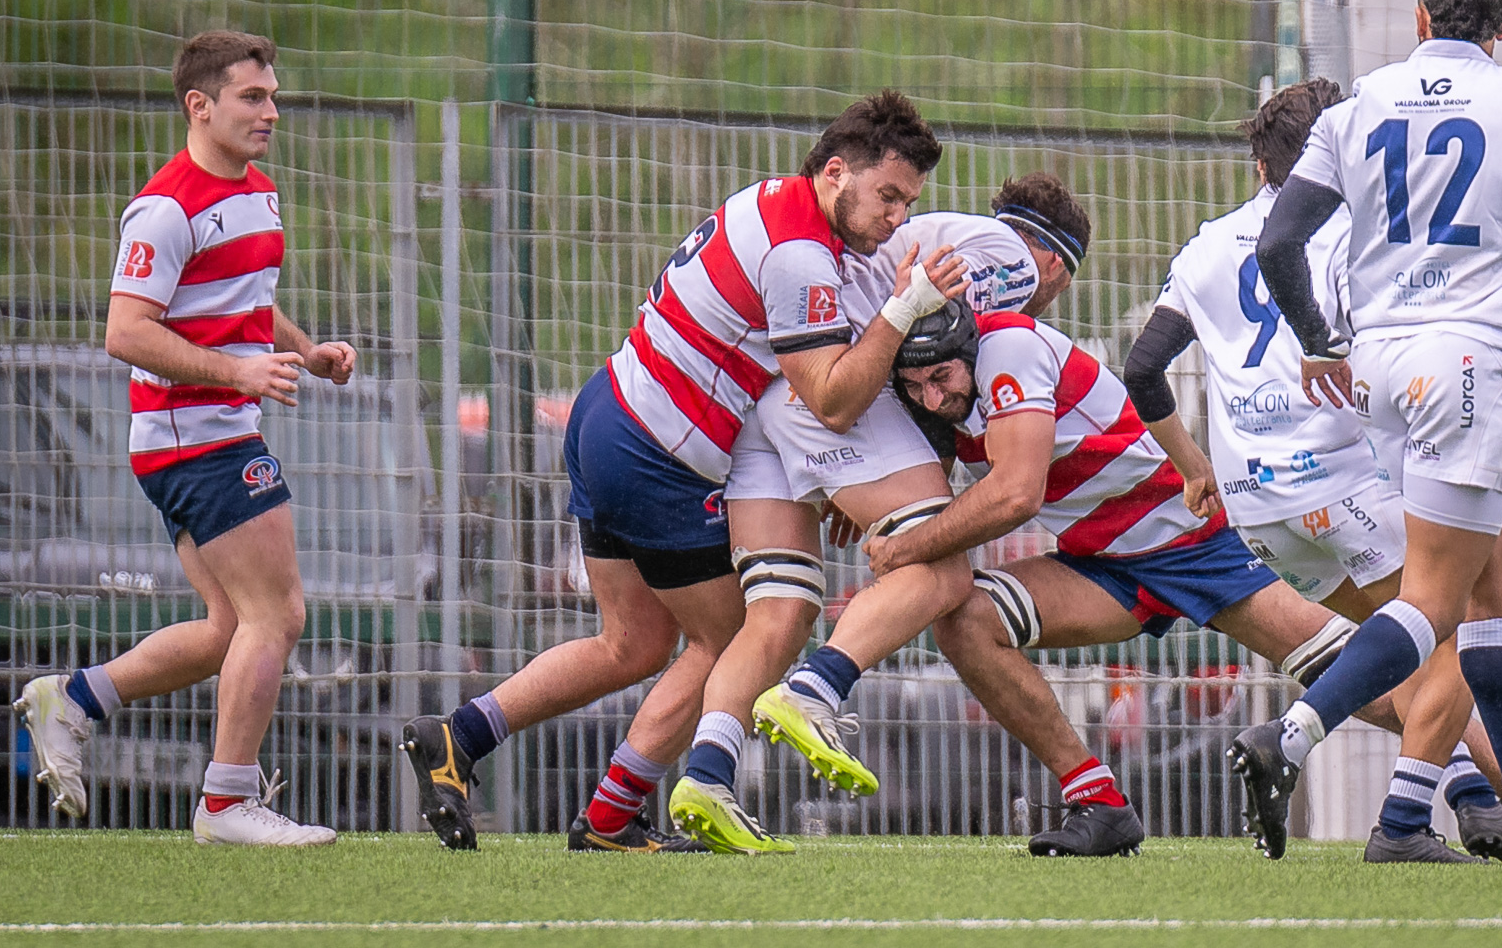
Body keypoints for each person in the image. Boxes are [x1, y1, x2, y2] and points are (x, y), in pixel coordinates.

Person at [399, 89, 965, 851]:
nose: (898, 217)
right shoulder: (800, 254)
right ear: (836, 172)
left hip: (605, 413)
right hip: (655, 457)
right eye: (889, 195)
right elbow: (830, 400)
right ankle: (611, 814)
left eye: (909, 202)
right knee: (740, 637)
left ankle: (459, 734)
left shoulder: (769, 199)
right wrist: (905, 311)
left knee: (629, 644)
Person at [1228, 0, 1502, 864]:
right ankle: (1288, 737)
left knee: (1497, 582)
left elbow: (1281, 244)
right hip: (1467, 369)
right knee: (1436, 601)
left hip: (1379, 369)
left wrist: (1323, 344)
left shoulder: (1359, 103)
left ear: (1418, 17)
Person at [1123, 78, 1502, 863]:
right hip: (1343, 481)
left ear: (1259, 167)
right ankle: (1447, 811)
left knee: (1397, 648)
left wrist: (1193, 465)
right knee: (1469, 612)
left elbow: (1141, 369)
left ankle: (1481, 799)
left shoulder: (1203, 246)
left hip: (1257, 509)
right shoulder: (1351, 237)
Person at [867, 301, 1408, 858]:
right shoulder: (950, 396)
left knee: (1372, 685)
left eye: (940, 377)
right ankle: (1097, 800)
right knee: (968, 619)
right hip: (1104, 564)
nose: (932, 397)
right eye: (914, 385)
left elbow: (1014, 495)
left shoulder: (1010, 348)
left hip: (1193, 542)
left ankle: (1483, 789)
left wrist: (903, 547)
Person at [668, 177, 1091, 853]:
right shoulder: (1009, 264)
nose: (1051, 299)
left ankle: (708, 774)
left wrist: (860, 479)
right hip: (831, 400)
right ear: (1048, 259)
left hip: (770, 407)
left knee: (779, 611)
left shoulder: (953, 242)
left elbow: (915, 379)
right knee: (945, 568)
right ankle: (816, 688)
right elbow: (926, 358)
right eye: (1061, 282)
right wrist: (894, 503)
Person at [15, 31, 346, 846]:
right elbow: (125, 331)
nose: (270, 111)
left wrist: (303, 348)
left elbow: (245, 300)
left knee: (230, 627)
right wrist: (237, 375)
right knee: (280, 614)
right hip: (192, 435)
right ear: (200, 105)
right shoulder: (165, 207)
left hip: (213, 429)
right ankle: (226, 804)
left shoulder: (260, 192)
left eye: (272, 96)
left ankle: (74, 698)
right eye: (252, 97)